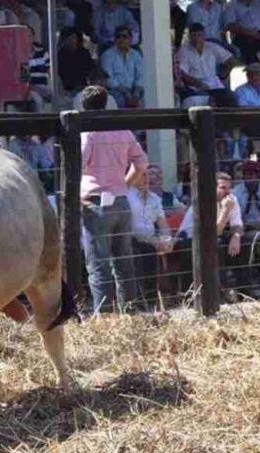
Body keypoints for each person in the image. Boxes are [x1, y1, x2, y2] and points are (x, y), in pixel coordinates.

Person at [79, 85, 147, 313]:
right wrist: (126, 183)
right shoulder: (122, 130)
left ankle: (105, 318)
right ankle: (130, 312)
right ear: (106, 102)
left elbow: (76, 165)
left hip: (95, 200)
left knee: (98, 264)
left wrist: (77, 197)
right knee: (124, 262)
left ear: (83, 106)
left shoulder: (88, 133)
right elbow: (142, 163)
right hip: (120, 198)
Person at [176, 172, 248, 291]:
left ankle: (245, 290)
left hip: (211, 236)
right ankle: (220, 291)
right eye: (223, 188)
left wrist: (236, 236)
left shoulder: (231, 199)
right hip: (189, 240)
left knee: (244, 241)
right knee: (216, 243)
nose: (227, 192)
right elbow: (212, 233)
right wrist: (225, 211)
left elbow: (237, 224)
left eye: (229, 188)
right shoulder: (203, 201)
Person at [127, 165, 175, 301]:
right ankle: (138, 301)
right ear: (134, 176)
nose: (147, 178)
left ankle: (152, 301)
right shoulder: (126, 195)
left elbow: (163, 223)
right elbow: (129, 229)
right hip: (130, 241)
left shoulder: (154, 198)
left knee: (155, 251)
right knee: (141, 252)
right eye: (143, 175)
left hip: (150, 242)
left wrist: (167, 239)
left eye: (148, 175)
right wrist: (153, 241)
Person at [176, 23, 237, 108]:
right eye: (194, 36)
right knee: (208, 103)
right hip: (196, 88)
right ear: (189, 36)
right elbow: (183, 73)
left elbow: (231, 61)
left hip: (215, 85)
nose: (197, 38)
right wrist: (198, 83)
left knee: (232, 98)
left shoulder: (211, 47)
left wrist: (223, 76)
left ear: (204, 36)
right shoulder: (184, 51)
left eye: (199, 35)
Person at [99, 25, 144, 108]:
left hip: (134, 90)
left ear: (130, 39)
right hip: (116, 91)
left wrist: (136, 95)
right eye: (118, 36)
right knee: (119, 100)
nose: (121, 39)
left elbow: (141, 76)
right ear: (114, 39)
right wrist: (126, 93)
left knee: (146, 100)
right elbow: (108, 79)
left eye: (124, 36)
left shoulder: (136, 55)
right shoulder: (107, 55)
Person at [57, 27, 96, 99]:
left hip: (83, 88)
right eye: (68, 38)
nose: (71, 40)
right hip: (66, 91)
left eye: (74, 37)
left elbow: (91, 70)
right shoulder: (59, 55)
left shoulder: (84, 52)